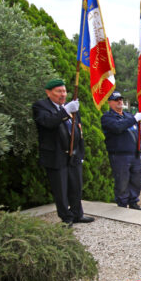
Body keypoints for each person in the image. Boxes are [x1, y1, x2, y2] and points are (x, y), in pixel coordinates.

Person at [32, 79, 94, 226]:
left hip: (73, 155)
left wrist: (80, 153)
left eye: (64, 91)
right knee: (61, 189)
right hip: (56, 155)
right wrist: (65, 111)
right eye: (59, 91)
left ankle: (78, 214)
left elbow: (79, 131)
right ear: (49, 92)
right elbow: (49, 122)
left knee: (76, 187)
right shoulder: (41, 106)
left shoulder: (70, 107)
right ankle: (66, 217)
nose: (63, 95)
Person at [101, 91, 141, 211]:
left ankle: (134, 202)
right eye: (116, 100)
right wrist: (134, 119)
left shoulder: (128, 116)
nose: (120, 102)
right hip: (119, 156)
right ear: (110, 102)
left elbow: (139, 133)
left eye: (121, 99)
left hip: (134, 154)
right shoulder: (107, 117)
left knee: (136, 180)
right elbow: (118, 127)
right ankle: (122, 205)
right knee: (122, 181)